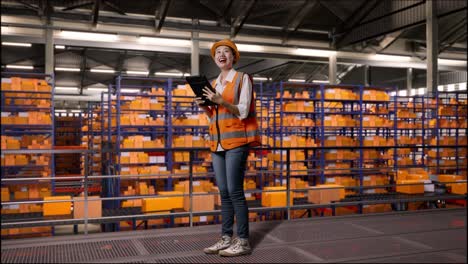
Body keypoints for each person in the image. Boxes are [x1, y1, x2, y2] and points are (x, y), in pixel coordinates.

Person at [194, 39, 260, 257]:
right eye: (217, 52)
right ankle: (225, 238)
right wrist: (205, 106)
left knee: (235, 191)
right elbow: (215, 115)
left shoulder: (242, 79)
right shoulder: (214, 83)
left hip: (237, 142)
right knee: (223, 193)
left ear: (233, 57)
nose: (221, 54)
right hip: (217, 143)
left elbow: (242, 111)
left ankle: (243, 241)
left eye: (226, 52)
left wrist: (220, 100)